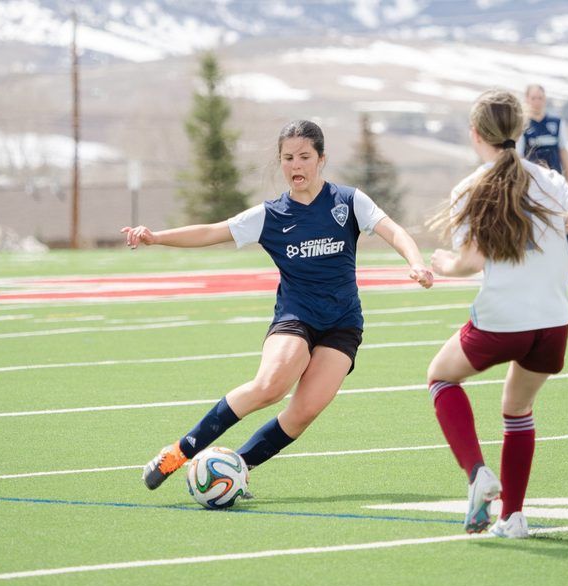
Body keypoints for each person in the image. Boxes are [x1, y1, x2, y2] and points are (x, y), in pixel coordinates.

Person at [121, 119, 434, 495]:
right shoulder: (270, 214)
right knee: (270, 387)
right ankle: (178, 452)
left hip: (343, 324)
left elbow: (394, 230)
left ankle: (236, 469)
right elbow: (213, 231)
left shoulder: (349, 202)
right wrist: (157, 238)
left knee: (303, 413)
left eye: (304, 157)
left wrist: (415, 261)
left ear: (321, 159)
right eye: (288, 158)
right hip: (295, 317)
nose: (295, 165)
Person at [427, 90, 568, 538]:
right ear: (519, 131)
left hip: (503, 320)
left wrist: (444, 265)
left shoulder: (471, 186)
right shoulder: (550, 179)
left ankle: (478, 475)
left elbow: (470, 261)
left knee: (441, 378)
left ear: (476, 133)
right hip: (554, 323)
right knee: (518, 409)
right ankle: (513, 517)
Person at [517, 84, 568, 187]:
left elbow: (563, 151)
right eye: (533, 98)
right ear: (527, 99)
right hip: (532, 183)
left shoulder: (556, 122)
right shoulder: (522, 125)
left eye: (540, 98)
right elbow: (519, 156)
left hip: (555, 182)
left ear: (545, 99)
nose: (537, 102)